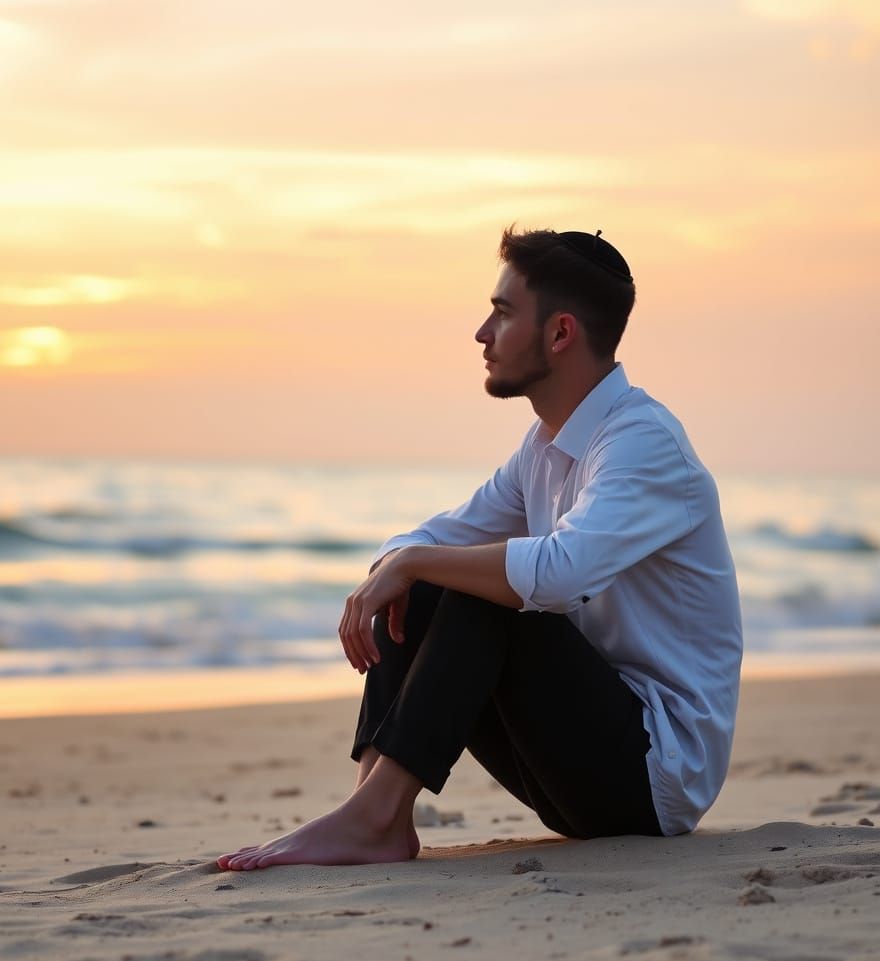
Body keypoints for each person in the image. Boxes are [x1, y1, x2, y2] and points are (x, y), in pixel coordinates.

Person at [217, 226, 743, 872]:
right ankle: (372, 808)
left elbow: (556, 575)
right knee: (438, 580)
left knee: (489, 590)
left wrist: (413, 563)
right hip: (575, 768)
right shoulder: (544, 450)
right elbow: (434, 538)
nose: (481, 333)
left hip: (656, 776)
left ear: (560, 334)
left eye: (502, 312)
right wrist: (399, 564)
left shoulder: (643, 442)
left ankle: (374, 818)